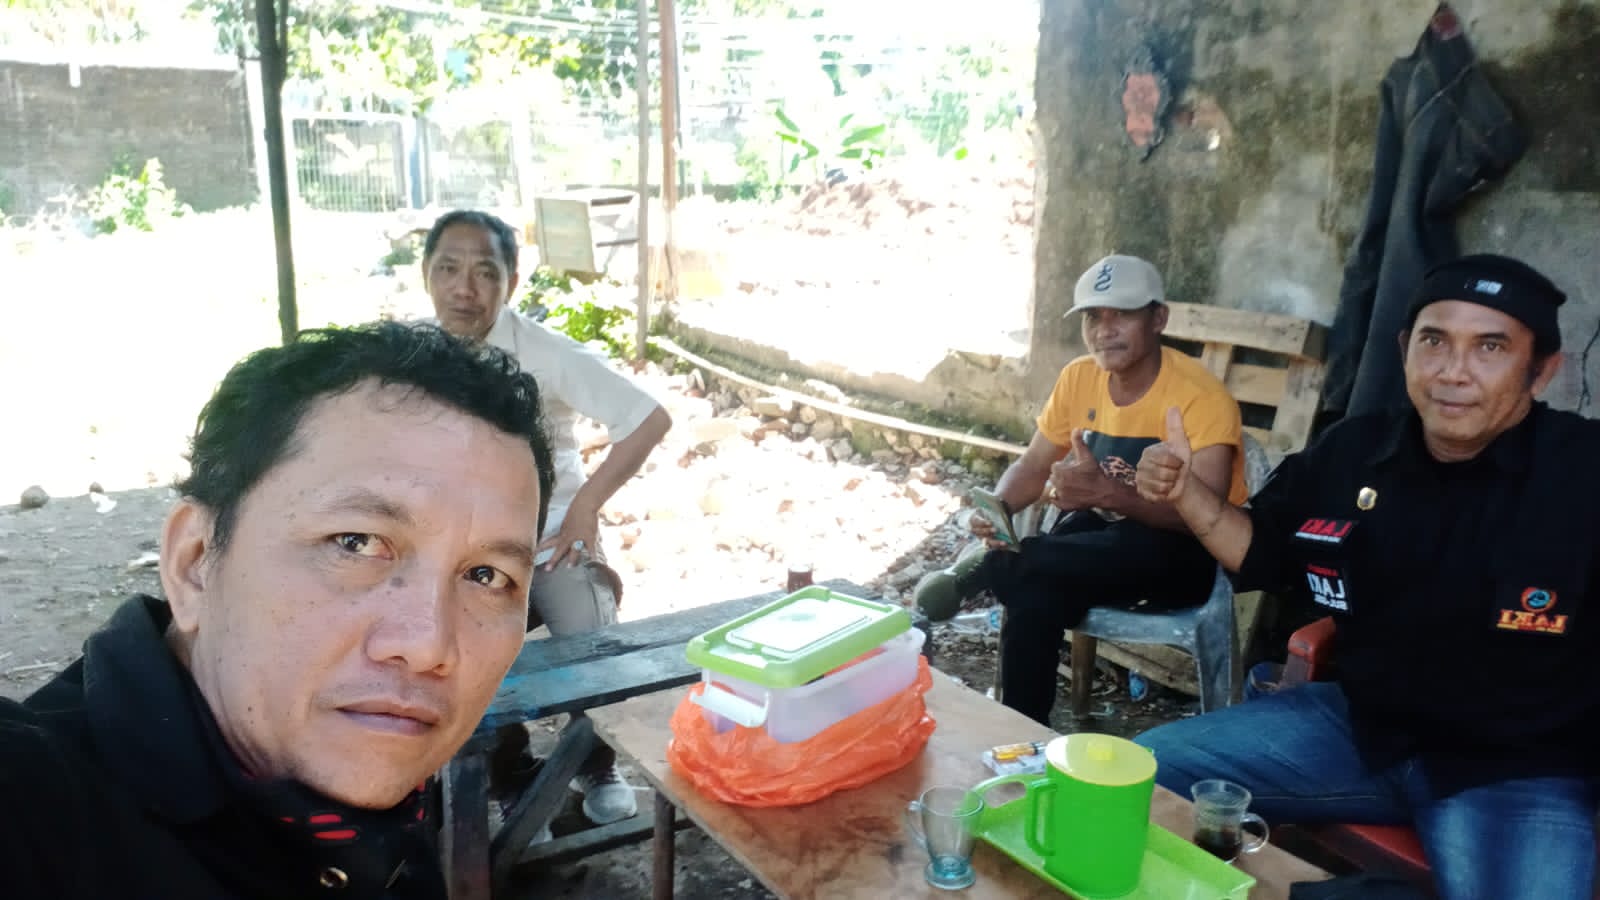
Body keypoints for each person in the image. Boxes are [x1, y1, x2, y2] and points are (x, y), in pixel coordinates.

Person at [0, 322, 556, 898]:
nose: (427, 646)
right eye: (356, 542)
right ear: (195, 562)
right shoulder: (34, 808)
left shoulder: (366, 812)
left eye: (486, 576)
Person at [1133, 254, 1596, 900]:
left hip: (1516, 772)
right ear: (1405, 350)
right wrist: (1188, 494)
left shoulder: (1583, 473)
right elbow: (1262, 550)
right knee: (1141, 775)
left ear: (1542, 369)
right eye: (1434, 341)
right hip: (1359, 730)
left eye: (1490, 347)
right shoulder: (1354, 451)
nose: (1453, 371)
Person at [914, 254, 1246, 724]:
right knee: (1036, 589)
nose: (1104, 331)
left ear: (1158, 318)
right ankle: (1022, 733)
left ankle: (987, 570)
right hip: (1099, 540)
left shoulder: (1201, 396)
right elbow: (1034, 464)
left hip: (1184, 550)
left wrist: (1107, 493)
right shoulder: (1079, 377)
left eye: (1121, 314)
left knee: (1034, 564)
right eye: (1092, 317)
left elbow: (1206, 517)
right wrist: (999, 508)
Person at [422, 209, 672, 827]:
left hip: (550, 536)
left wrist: (586, 507)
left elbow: (648, 418)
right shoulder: (413, 354)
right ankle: (513, 775)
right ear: (426, 275)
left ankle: (595, 762)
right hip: (463, 545)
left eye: (486, 272)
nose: (465, 288)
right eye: (448, 269)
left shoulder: (545, 352)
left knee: (589, 630)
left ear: (511, 281)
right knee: (455, 645)